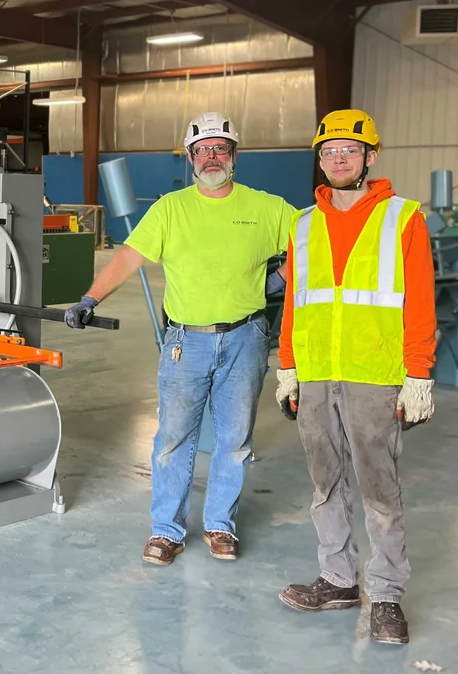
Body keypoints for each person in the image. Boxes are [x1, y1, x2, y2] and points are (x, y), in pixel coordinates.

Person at [64, 112, 295, 566]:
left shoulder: (268, 208)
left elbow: (314, 242)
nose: (212, 157)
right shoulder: (171, 209)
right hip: (185, 343)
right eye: (202, 150)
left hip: (246, 338)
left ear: (234, 156)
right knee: (172, 440)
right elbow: (129, 256)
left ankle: (219, 525)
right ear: (190, 158)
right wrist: (90, 298)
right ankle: (166, 530)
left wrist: (282, 277)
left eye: (220, 148)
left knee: (234, 439)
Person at [274, 109, 437, 645]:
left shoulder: (403, 216)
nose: (338, 158)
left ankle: (386, 596)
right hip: (318, 374)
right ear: (320, 161)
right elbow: (295, 304)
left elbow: (419, 302)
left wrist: (418, 375)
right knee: (326, 483)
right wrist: (289, 368)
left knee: (378, 487)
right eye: (328, 151)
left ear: (370, 157)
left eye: (349, 149)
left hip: (374, 374)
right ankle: (339, 580)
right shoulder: (304, 223)